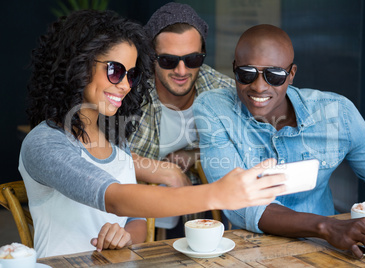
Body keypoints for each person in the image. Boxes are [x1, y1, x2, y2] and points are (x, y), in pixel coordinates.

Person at [19, 11, 285, 258]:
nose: (125, 85)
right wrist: (217, 193)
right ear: (78, 65)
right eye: (115, 71)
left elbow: (134, 220)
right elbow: (117, 199)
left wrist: (124, 237)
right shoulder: (45, 142)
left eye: (131, 74)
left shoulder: (114, 141)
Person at [193, 24, 365, 259]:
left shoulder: (337, 114)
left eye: (274, 76)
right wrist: (326, 227)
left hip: (331, 251)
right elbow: (239, 203)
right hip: (252, 253)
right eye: (246, 74)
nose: (259, 86)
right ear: (234, 69)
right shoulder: (213, 109)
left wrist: (330, 231)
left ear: (291, 74)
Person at [127, 2, 235, 232]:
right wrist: (165, 170)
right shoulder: (127, 91)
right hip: (132, 214)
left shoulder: (223, 92)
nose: (182, 71)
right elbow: (100, 155)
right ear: (151, 56)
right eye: (168, 61)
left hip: (199, 213)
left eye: (193, 59)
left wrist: (194, 155)